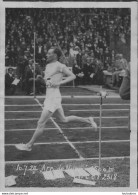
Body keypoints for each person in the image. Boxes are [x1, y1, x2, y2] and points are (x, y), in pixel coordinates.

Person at [15, 47, 97, 151]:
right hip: (50, 96)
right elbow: (48, 82)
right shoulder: (48, 65)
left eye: (49, 53)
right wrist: (41, 79)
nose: (46, 55)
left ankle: (29, 145)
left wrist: (59, 83)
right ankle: (89, 120)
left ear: (55, 55)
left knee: (40, 123)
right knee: (64, 119)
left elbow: (72, 76)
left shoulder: (60, 65)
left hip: (53, 97)